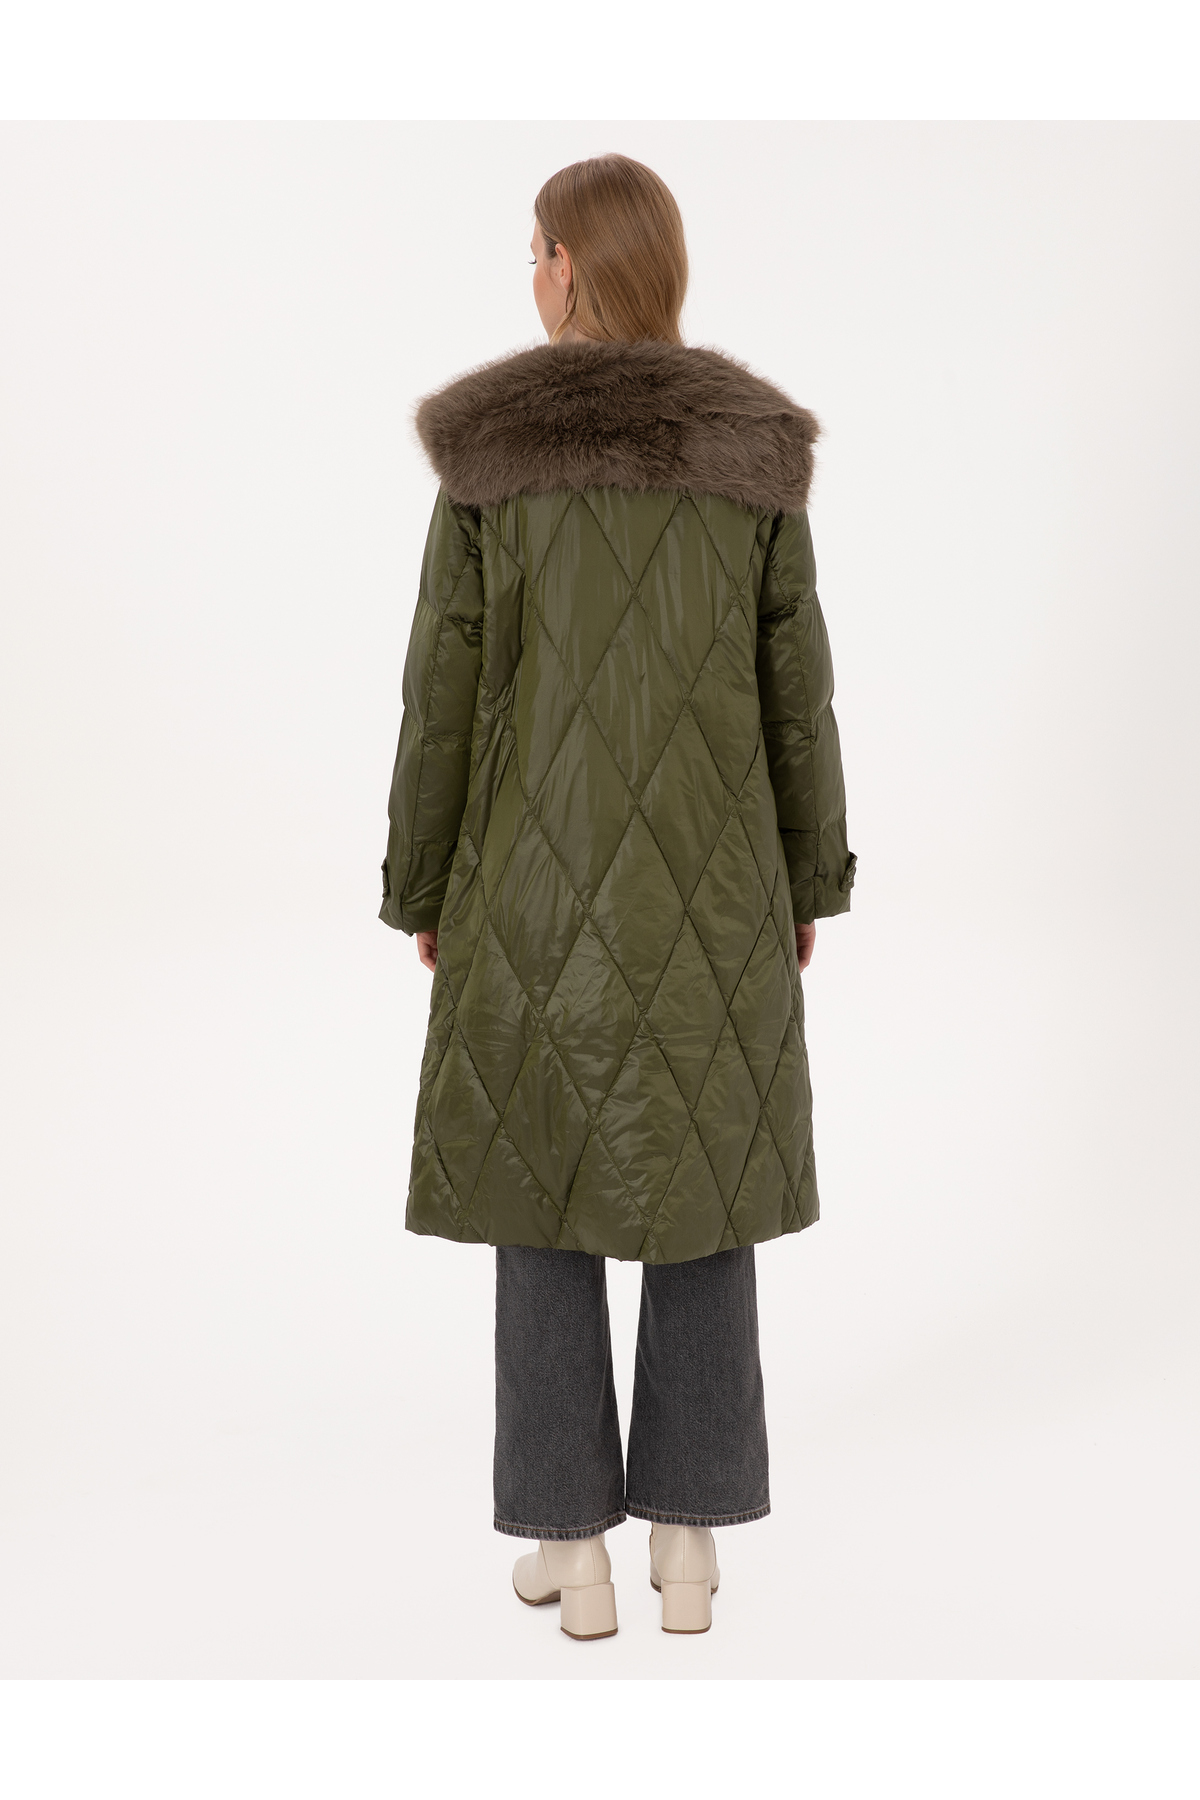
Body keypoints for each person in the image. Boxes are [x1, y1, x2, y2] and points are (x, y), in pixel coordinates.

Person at [379, 154, 855, 1639]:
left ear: (573, 266)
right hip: (718, 896)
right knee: (703, 1185)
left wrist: (421, 883)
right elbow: (797, 695)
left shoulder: (490, 460)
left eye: (534, 252)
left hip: (528, 890)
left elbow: (443, 693)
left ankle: (571, 1550)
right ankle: (690, 1547)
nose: (529, 276)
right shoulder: (753, 456)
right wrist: (807, 877)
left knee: (543, 1189)